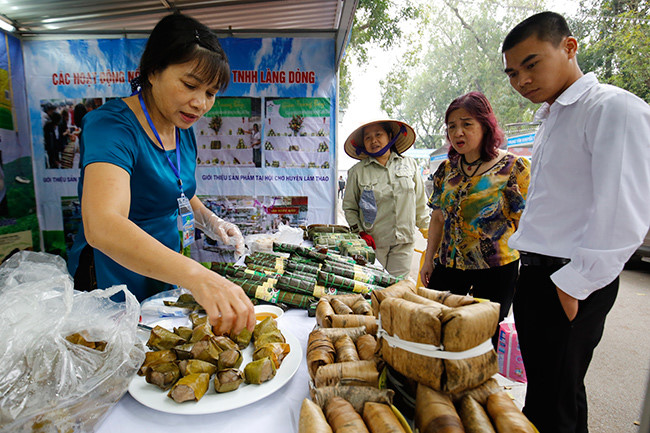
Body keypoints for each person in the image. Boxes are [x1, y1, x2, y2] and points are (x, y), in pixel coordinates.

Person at [502, 12, 650, 433]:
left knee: (557, 402)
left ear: (570, 47)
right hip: (536, 272)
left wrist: (575, 283)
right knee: (549, 394)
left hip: (567, 278)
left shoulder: (612, 108)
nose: (521, 80)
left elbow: (624, 210)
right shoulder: (553, 116)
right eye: (513, 72)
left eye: (532, 64)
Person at [67, 13, 255, 336]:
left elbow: (176, 189)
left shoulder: (182, 127)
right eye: (190, 85)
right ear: (153, 72)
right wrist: (198, 276)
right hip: (113, 282)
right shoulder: (111, 127)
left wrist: (211, 221)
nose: (199, 103)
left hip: (165, 276)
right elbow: (102, 224)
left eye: (210, 93)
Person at [419, 91, 530, 348]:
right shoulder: (447, 170)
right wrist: (428, 259)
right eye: (452, 126)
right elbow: (437, 217)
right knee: (437, 329)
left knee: (482, 339)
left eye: (467, 124)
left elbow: (527, 223)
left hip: (496, 271)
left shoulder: (514, 168)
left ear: (485, 125)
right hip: (448, 266)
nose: (458, 132)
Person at [342, 120, 430, 278]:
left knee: (396, 289)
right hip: (373, 244)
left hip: (404, 242)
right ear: (363, 143)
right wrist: (360, 233)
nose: (373, 140)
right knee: (373, 289)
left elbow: (420, 204)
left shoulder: (410, 165)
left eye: (378, 135)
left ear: (390, 136)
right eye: (367, 138)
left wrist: (428, 232)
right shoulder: (357, 172)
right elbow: (350, 208)